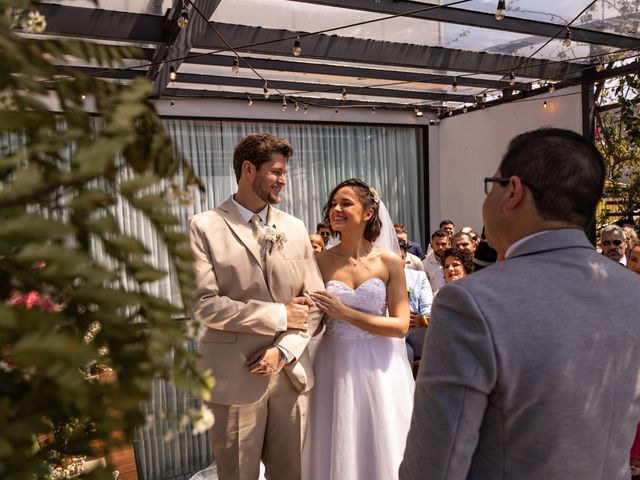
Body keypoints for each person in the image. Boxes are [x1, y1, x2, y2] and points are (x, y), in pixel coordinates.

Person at [401, 128, 640, 480]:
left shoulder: (471, 302)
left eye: (491, 184)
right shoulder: (631, 292)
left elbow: (436, 461)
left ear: (512, 191)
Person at [189, 133, 324, 480]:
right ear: (248, 169)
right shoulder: (204, 226)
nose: (283, 180)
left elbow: (316, 303)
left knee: (292, 474)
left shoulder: (294, 228)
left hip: (290, 374)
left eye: (284, 172)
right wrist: (277, 314)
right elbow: (203, 305)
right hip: (233, 378)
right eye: (276, 172)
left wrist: (283, 350)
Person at [306, 178, 413, 480]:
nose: (336, 209)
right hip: (333, 362)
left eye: (346, 203)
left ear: (368, 213)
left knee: (381, 438)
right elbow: (313, 321)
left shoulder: (389, 262)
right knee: (335, 438)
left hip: (380, 366)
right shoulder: (319, 261)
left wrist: (345, 313)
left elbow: (400, 325)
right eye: (333, 204)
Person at [398, 239, 433, 368]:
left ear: (406, 257)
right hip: (390, 333)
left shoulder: (418, 277)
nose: (397, 262)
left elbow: (427, 307)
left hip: (415, 332)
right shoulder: (379, 279)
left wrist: (422, 319)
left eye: (401, 257)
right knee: (406, 353)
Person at [421, 230, 450, 294]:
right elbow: (424, 287)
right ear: (431, 245)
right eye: (437, 244)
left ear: (449, 244)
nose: (440, 247)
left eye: (443, 244)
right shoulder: (425, 264)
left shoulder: (456, 261)